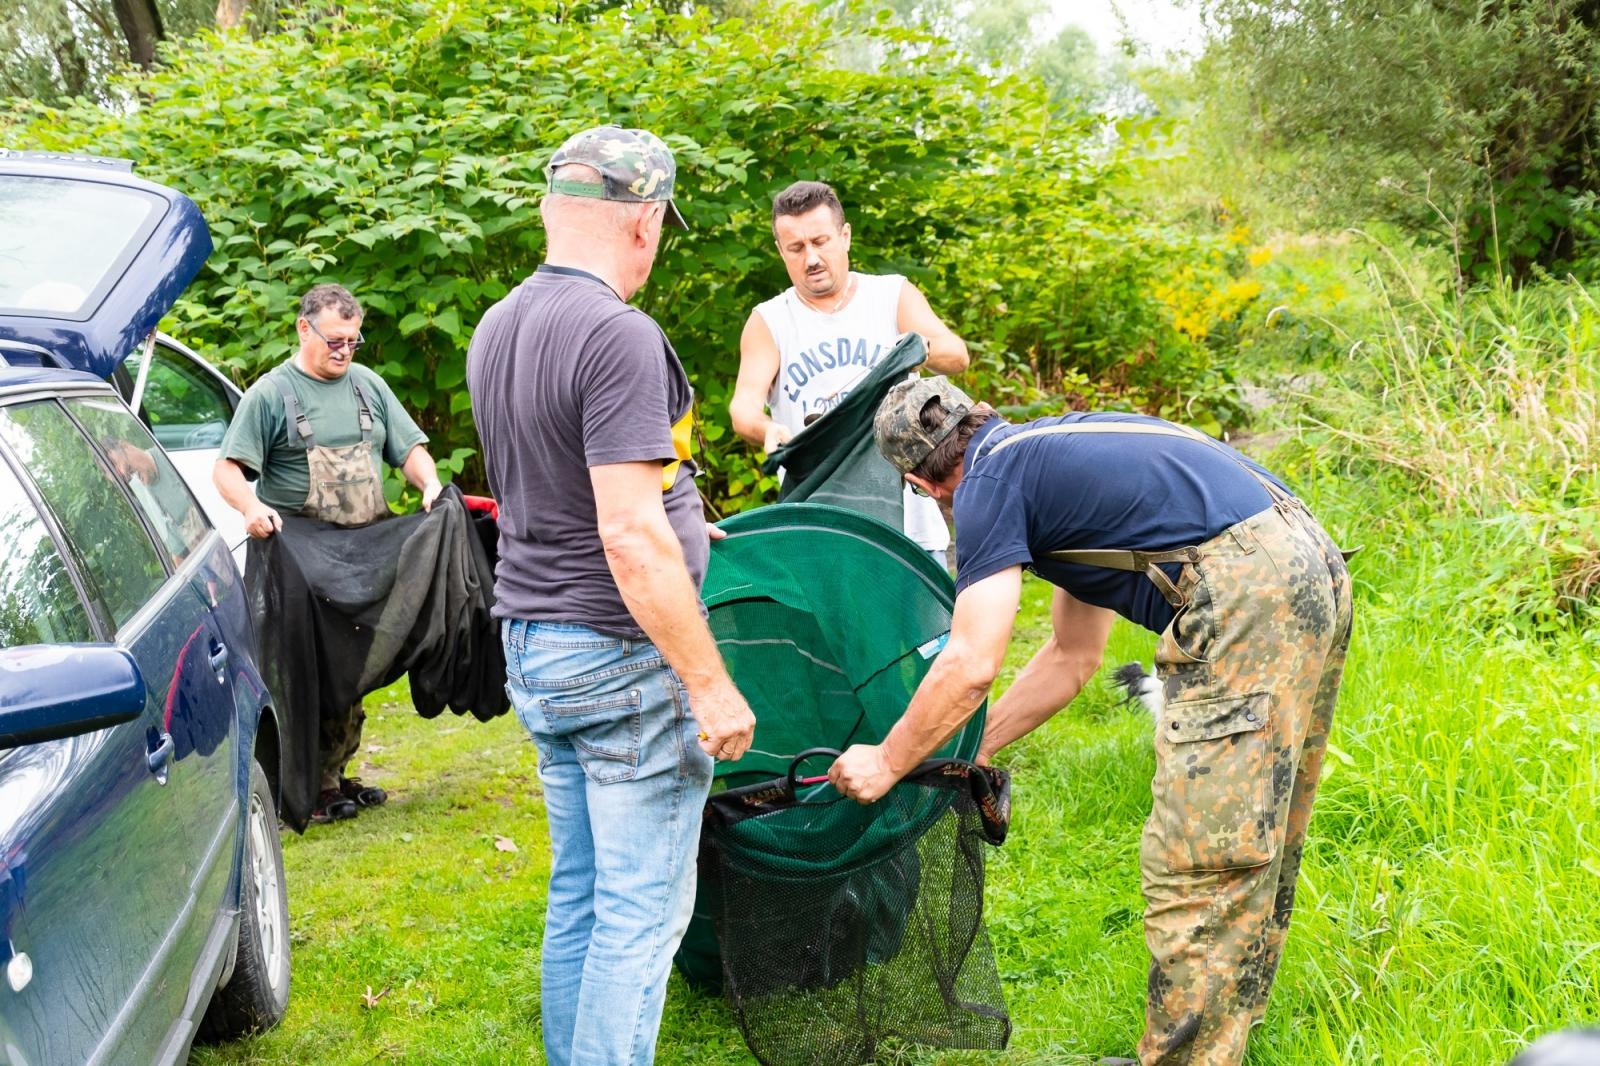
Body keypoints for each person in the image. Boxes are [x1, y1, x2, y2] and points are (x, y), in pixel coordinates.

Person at [828, 377, 1355, 1066]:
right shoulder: (1045, 456)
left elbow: (971, 661)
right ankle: (1216, 1044)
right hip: (1308, 560)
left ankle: (1183, 1060)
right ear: (974, 414)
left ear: (923, 488)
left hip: (1246, 589)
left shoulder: (986, 486)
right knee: (1258, 828)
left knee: (1199, 856)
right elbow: (1073, 658)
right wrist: (962, 748)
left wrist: (889, 760)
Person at [465, 124, 756, 1066]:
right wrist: (709, 685)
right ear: (644, 224)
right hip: (619, 659)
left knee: (581, 898)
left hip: (535, 644)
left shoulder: (499, 324)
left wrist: (682, 521)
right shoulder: (618, 335)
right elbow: (626, 536)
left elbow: (560, 484)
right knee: (638, 918)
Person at [214, 282, 444, 823]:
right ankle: (305, 782)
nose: (344, 350)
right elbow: (227, 471)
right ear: (304, 328)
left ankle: (335, 772)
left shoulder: (368, 387)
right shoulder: (271, 395)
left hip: (364, 558)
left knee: (354, 670)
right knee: (309, 673)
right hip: (301, 565)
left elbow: (410, 449)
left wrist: (429, 485)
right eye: (335, 340)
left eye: (353, 342)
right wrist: (250, 507)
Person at [729, 180, 969, 562]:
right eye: (796, 247)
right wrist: (766, 429)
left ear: (845, 236)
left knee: (924, 625)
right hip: (819, 526)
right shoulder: (770, 321)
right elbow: (743, 408)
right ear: (780, 251)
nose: (811, 258)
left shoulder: (890, 296)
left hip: (910, 527)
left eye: (820, 241)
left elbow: (957, 355)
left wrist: (919, 349)